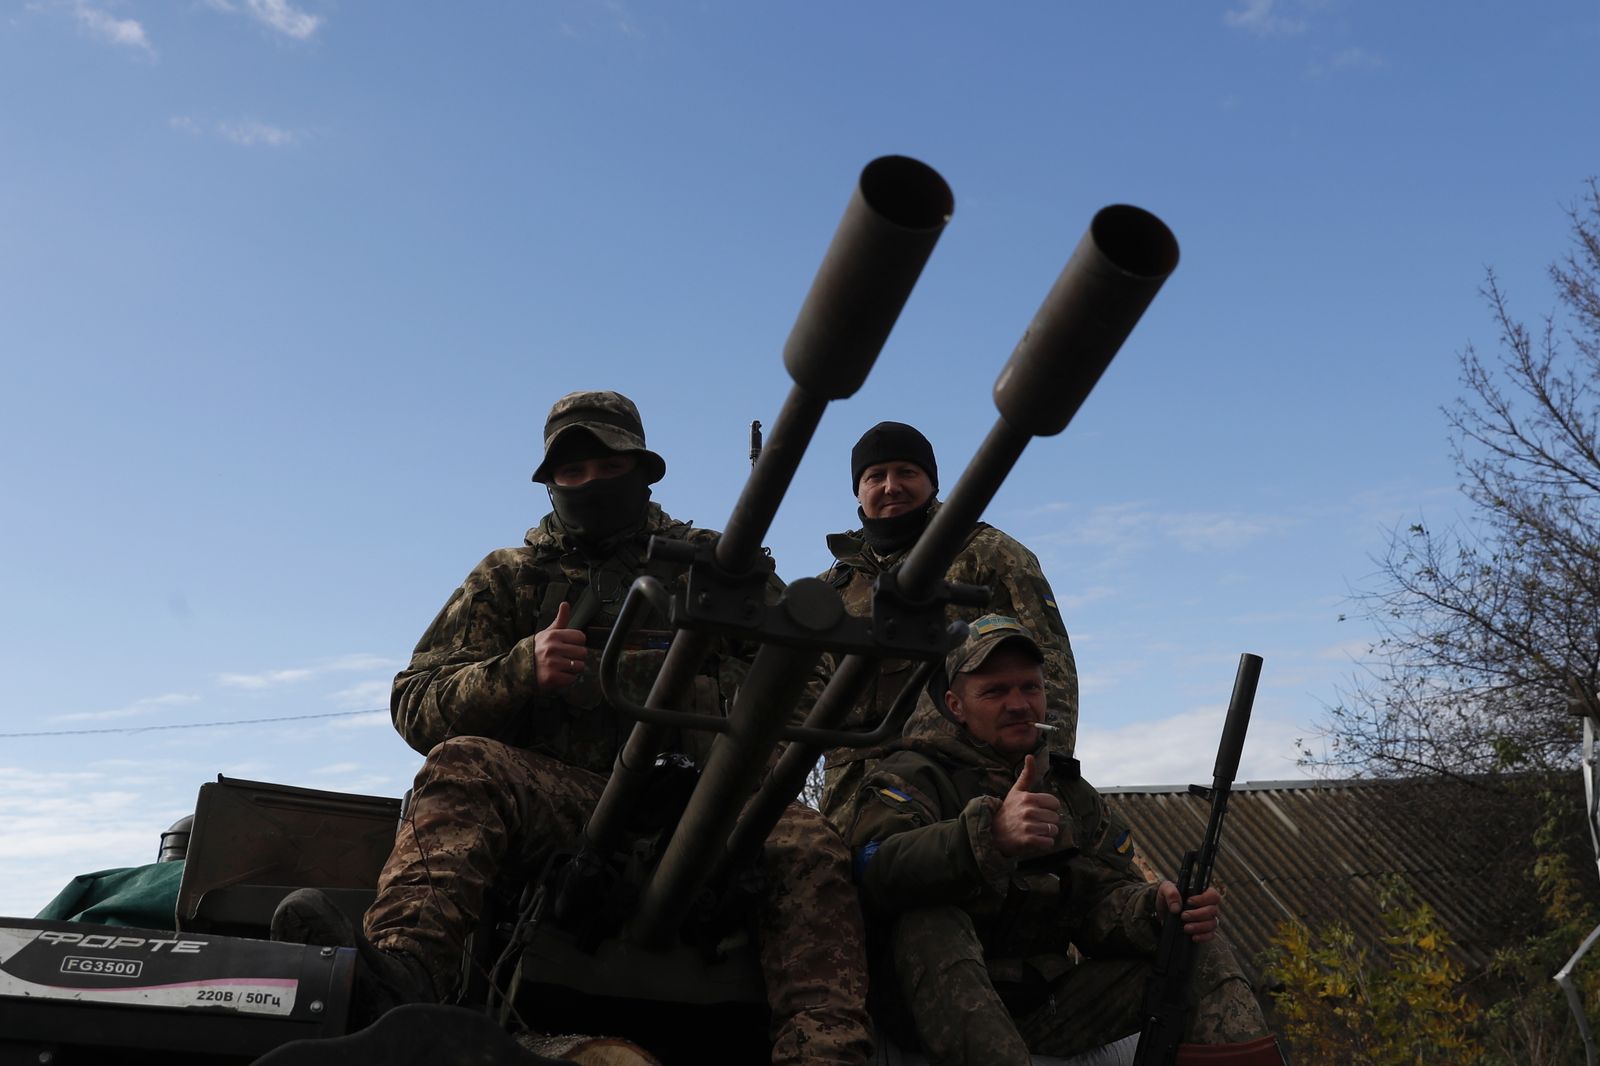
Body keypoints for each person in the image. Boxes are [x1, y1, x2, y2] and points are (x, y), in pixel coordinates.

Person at [277, 391, 873, 1065]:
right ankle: (402, 976)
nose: (592, 482)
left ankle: (824, 1053)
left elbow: (811, 678)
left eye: (609, 466)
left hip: (708, 802)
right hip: (570, 798)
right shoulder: (509, 578)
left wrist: (725, 712)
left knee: (809, 841)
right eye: (574, 471)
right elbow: (414, 704)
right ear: (551, 482)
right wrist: (517, 670)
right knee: (465, 764)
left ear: (643, 471)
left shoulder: (715, 567)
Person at [846, 615, 1282, 1065]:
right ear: (956, 705)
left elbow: (1099, 903)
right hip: (929, 1013)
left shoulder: (1070, 792)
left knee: (1190, 943)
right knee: (930, 916)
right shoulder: (912, 775)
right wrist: (988, 837)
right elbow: (874, 871)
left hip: (1042, 1006)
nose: (1019, 704)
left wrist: (1155, 908)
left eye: (1030, 688)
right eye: (995, 691)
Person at [816, 421, 1079, 827]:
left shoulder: (989, 553)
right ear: (858, 490)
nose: (891, 486)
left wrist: (1046, 770)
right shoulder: (833, 585)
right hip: (850, 792)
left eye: (907, 472)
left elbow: (1049, 662)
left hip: (962, 782)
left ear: (932, 483)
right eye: (875, 476)